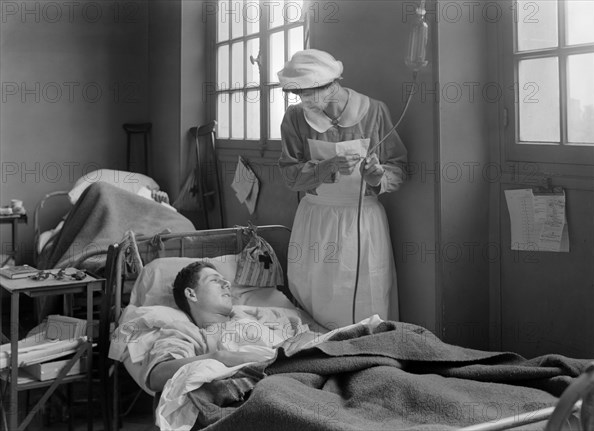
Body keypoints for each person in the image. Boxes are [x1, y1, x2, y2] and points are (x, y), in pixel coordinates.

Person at [277, 49, 408, 329]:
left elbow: (399, 166)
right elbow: (290, 175)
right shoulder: (296, 118)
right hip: (317, 219)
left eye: (310, 92)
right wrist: (328, 166)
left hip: (362, 220)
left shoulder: (373, 111)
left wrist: (378, 176)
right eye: (300, 94)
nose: (304, 101)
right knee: (315, 291)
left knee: (365, 293)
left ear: (332, 84)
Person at [144, 261, 312, 392]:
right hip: (266, 384)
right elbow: (156, 376)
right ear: (191, 294)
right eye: (215, 281)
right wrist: (220, 357)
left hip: (302, 369)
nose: (227, 284)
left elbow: (307, 334)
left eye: (225, 281)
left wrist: (301, 342)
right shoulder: (188, 332)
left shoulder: (255, 315)